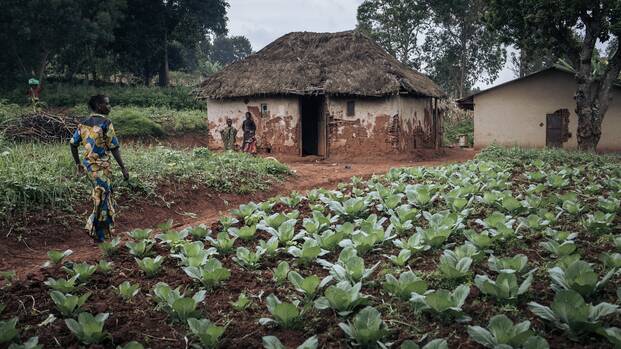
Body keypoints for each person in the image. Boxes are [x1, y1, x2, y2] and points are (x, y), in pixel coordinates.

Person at [70, 95, 129, 242]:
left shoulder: (83, 123)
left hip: (90, 168)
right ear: (98, 105)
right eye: (107, 104)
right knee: (102, 198)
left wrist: (78, 164)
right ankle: (97, 233)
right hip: (101, 168)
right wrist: (123, 168)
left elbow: (73, 143)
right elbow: (114, 148)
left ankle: (100, 232)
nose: (109, 107)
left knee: (100, 197)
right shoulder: (106, 123)